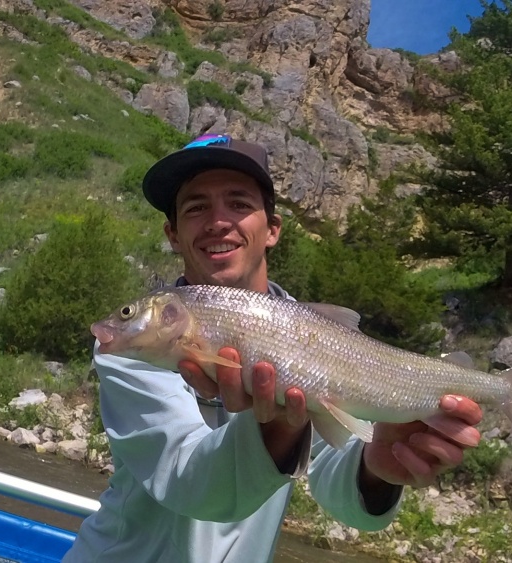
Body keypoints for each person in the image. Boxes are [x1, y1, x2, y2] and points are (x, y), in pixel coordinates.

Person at [63, 133, 483, 562]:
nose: (217, 221)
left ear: (273, 230)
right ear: (173, 234)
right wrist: (276, 426)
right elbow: (187, 483)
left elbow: (337, 486)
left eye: (239, 204)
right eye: (196, 207)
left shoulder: (313, 335)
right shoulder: (137, 347)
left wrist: (377, 467)